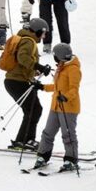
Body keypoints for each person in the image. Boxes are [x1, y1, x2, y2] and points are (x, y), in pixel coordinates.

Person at [2, 18, 52, 151]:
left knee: (33, 110)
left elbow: (22, 63)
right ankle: (24, 140)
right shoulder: (28, 41)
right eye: (43, 32)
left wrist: (35, 72)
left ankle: (24, 140)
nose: (44, 35)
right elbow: (22, 58)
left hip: (16, 81)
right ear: (37, 31)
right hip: (17, 82)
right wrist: (39, 67)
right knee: (34, 109)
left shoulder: (26, 39)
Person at [32, 43, 82, 173]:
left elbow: (74, 90)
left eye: (55, 55)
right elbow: (57, 87)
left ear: (60, 56)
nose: (54, 57)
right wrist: (42, 87)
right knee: (48, 132)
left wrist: (65, 97)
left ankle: (71, 159)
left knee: (68, 134)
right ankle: (43, 156)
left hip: (68, 107)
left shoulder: (73, 69)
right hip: (55, 106)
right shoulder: (61, 67)